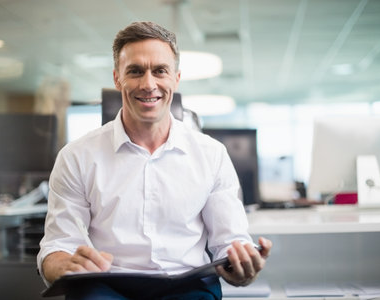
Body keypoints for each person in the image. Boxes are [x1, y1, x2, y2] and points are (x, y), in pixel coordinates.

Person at [37, 21, 272, 300]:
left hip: (188, 285)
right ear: (117, 79)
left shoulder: (212, 154)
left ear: (176, 78)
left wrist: (241, 264)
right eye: (135, 71)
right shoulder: (77, 156)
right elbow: (58, 245)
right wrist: (61, 263)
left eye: (160, 71)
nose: (148, 85)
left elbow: (229, 242)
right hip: (107, 285)